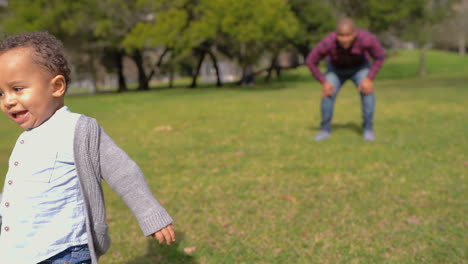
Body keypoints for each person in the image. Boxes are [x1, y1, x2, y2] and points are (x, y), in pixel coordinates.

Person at [0, 32, 175, 264]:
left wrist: (151, 214)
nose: (8, 100)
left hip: (64, 251)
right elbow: (18, 192)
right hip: (20, 252)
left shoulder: (76, 128)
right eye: (1, 93)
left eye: (18, 89)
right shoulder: (26, 140)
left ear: (57, 86)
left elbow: (122, 171)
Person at [306, 18, 385, 141]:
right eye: (341, 35)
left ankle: (368, 129)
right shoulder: (328, 41)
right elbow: (310, 61)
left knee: (367, 91)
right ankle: (325, 130)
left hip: (360, 68)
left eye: (348, 35)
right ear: (336, 34)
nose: (345, 39)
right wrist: (324, 81)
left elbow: (379, 56)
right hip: (336, 70)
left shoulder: (366, 39)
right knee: (328, 93)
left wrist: (369, 78)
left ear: (355, 33)